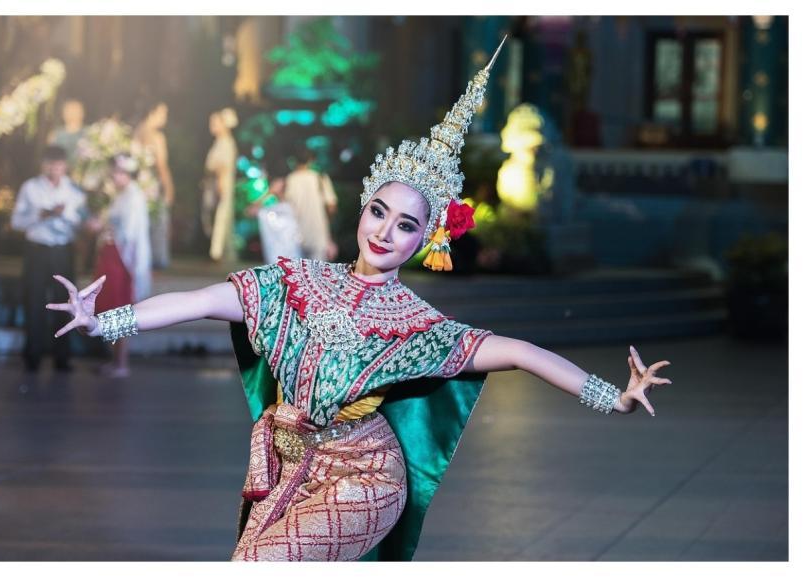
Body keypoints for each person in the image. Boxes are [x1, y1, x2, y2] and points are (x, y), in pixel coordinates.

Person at [47, 38, 672, 561]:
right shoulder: (296, 283)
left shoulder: (418, 327)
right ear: (363, 208)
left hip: (366, 478)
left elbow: (519, 352)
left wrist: (611, 398)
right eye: (379, 211)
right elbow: (204, 300)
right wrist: (105, 321)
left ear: (426, 240)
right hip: (291, 462)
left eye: (405, 225)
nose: (383, 231)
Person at [11, 145, 86, 373]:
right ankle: (32, 356)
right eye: (51, 164)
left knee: (65, 302)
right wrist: (38, 215)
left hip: (62, 250)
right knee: (34, 301)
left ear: (65, 166)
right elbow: (16, 222)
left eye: (59, 165)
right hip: (37, 250)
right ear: (44, 165)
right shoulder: (30, 188)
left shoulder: (74, 191)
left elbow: (83, 222)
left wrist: (65, 214)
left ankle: (62, 358)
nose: (55, 169)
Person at [88, 154, 152, 378]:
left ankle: (121, 362)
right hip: (112, 254)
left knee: (120, 305)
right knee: (110, 305)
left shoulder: (133, 196)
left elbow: (130, 232)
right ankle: (115, 360)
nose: (113, 176)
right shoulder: (123, 195)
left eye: (116, 172)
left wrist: (104, 227)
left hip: (120, 258)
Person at [133, 101, 174, 269]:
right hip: (151, 186)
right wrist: (170, 188)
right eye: (163, 113)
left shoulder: (136, 132)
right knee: (157, 224)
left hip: (136, 186)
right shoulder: (157, 137)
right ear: (152, 112)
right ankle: (156, 263)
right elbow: (161, 165)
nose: (165, 118)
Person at [283, 147, 338, 261]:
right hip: (318, 235)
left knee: (297, 274)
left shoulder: (290, 179)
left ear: (295, 161)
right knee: (317, 275)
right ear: (311, 160)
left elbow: (285, 207)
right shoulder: (320, 178)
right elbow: (331, 207)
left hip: (295, 235)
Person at [245, 161, 302, 264]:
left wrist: (269, 193)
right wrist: (269, 193)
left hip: (293, 258)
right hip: (279, 262)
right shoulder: (272, 209)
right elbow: (250, 211)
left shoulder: (291, 207)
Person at [202, 107, 239, 262]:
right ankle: (220, 252)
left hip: (221, 183)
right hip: (214, 183)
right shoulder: (219, 142)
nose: (212, 126)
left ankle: (216, 253)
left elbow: (223, 167)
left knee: (220, 217)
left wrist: (221, 185)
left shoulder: (226, 143)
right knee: (216, 216)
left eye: (215, 123)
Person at [47, 99, 86, 169]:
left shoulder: (89, 133)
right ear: (63, 113)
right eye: (69, 110)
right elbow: (49, 158)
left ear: (82, 113)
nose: (72, 113)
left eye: (75, 110)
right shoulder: (55, 135)